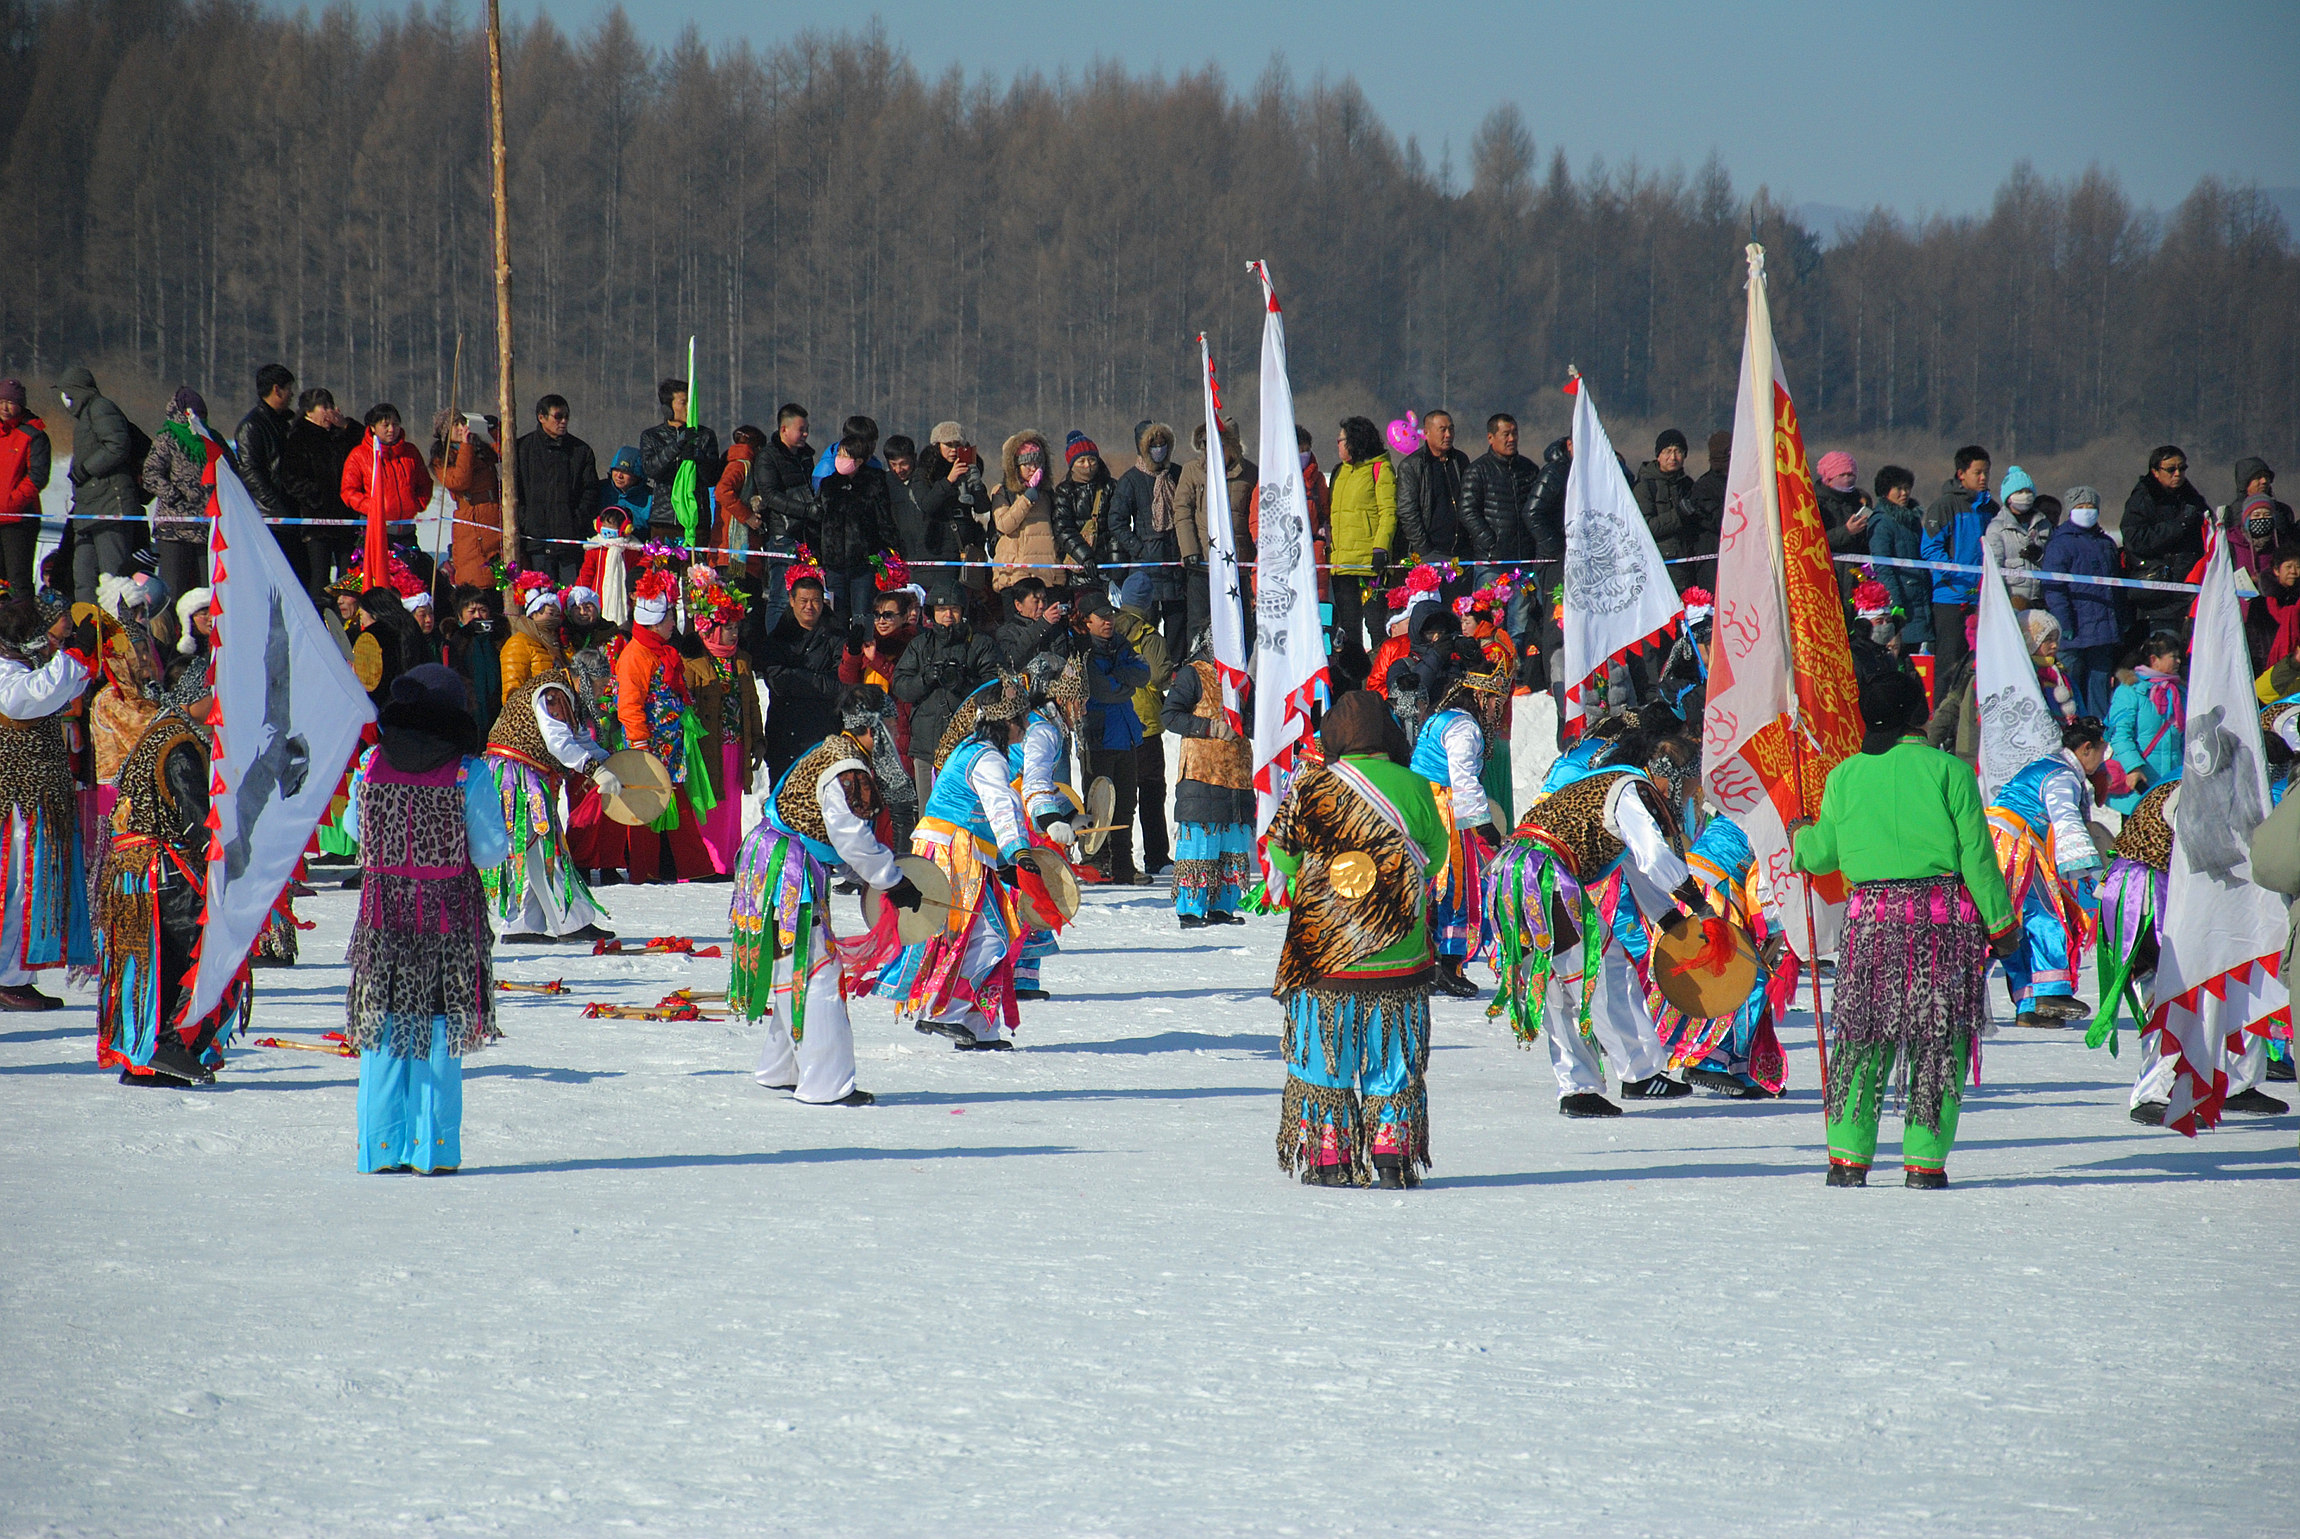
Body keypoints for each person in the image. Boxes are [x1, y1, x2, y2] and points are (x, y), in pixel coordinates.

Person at [1791, 670, 2016, 1188]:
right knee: (1938, 1041)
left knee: (1863, 1037)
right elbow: (1977, 858)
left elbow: (1820, 853)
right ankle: (1924, 1162)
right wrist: (2002, 925)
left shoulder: (1845, 775)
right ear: (1920, 712)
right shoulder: (1950, 772)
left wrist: (1800, 835)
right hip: (1942, 923)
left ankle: (1847, 1157)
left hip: (1870, 922)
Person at [1263, 690, 1445, 1188]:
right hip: (1399, 952)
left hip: (1325, 955)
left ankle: (1330, 1161)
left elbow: (1282, 856)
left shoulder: (1310, 786)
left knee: (1326, 1060)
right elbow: (1435, 854)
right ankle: (1391, 1158)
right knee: (1394, 1062)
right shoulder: (1415, 786)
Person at [1484, 714, 1702, 1116]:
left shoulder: (1606, 784)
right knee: (1604, 970)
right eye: (1685, 786)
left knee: (1557, 985)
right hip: (1543, 877)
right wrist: (1691, 896)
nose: (1686, 796)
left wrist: (1669, 916)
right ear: (1666, 773)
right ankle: (1639, 1073)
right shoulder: (1630, 788)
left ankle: (1577, 1087)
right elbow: (1652, 856)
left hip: (1510, 876)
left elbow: (1633, 864)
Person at [344, 664, 510, 1174]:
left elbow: (354, 827)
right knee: (439, 1030)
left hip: (383, 917)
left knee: (385, 1029)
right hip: (448, 921)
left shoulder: (371, 763)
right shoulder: (467, 771)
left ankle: (381, 1149)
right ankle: (431, 1149)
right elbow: (489, 851)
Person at [731, 686, 915, 1106]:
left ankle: (782, 1068)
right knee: (818, 972)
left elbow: (834, 837)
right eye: (886, 725)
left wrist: (873, 875)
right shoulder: (848, 768)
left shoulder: (834, 750)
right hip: (787, 869)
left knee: (789, 964)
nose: (891, 732)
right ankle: (826, 1083)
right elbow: (849, 836)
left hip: (776, 859)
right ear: (870, 729)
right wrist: (893, 880)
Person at [875, 674, 1033, 1049]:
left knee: (987, 932)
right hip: (954, 849)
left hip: (964, 848)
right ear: (1004, 722)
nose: (1025, 726)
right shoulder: (987, 758)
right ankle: (941, 1011)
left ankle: (979, 1025)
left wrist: (1004, 859)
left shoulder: (975, 749)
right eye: (1021, 719)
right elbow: (1000, 805)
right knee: (983, 934)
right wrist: (1018, 850)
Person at [93, 703, 245, 1082]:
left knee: (147, 967)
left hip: (134, 872)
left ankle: (142, 1060)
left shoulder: (159, 732)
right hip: (164, 872)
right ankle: (173, 1048)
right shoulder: (180, 745)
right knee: (197, 955)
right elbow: (198, 820)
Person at [478, 655, 616, 945]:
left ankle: (522, 924)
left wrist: (610, 764)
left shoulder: (566, 694)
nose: (606, 692)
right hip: (515, 777)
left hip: (525, 774)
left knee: (531, 850)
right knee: (543, 848)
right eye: (602, 685)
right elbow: (560, 744)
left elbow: (580, 740)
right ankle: (571, 923)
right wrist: (595, 770)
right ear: (586, 680)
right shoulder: (552, 692)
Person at [0, 602, 95, 1010]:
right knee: (18, 884)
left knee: (30, 883)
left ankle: (17, 973)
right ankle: (7, 977)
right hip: (17, 802)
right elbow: (31, 698)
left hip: (35, 799)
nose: (54, 643)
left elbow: (64, 686)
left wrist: (79, 658)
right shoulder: (7, 675)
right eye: (49, 635)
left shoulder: (22, 669)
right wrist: (72, 658)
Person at [1653, 810, 1787, 1098]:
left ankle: (1741, 1068)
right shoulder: (1775, 814)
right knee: (1747, 982)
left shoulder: (1748, 800)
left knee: (1707, 979)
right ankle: (1710, 1060)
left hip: (1693, 887)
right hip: (1713, 894)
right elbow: (1763, 885)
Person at [1987, 719, 2109, 1026]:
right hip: (2014, 846)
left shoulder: (2053, 767)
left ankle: (2029, 1004)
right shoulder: (2061, 776)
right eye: (2103, 751)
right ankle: (2050, 991)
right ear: (2086, 749)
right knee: (2047, 916)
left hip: (2003, 844)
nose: (2105, 758)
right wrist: (2093, 874)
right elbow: (2067, 821)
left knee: (2012, 925)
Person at [1410, 657, 1511, 998]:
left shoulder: (1441, 717)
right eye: (1497, 700)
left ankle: (1426, 960)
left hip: (1422, 804)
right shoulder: (1464, 727)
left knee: (1428, 884)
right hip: (1444, 811)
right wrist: (1485, 827)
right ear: (1482, 697)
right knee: (1456, 885)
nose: (1499, 708)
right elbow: (1463, 779)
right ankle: (1448, 965)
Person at [610, 568, 716, 884]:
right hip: (650, 745)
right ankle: (645, 869)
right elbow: (629, 705)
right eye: (669, 618)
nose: (674, 624)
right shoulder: (635, 656)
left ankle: (692, 867)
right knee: (645, 808)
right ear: (654, 621)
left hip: (671, 746)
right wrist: (640, 745)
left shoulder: (661, 652)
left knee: (678, 804)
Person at [1162, 628, 1253, 928]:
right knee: (1201, 843)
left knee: (1233, 842)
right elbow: (1170, 716)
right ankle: (1190, 909)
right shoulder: (1193, 674)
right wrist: (1209, 728)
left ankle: (1222, 908)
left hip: (1236, 773)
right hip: (1202, 773)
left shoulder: (1241, 678)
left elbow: (1251, 722)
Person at [1010, 652, 1088, 999]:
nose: (1082, 709)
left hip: (1022, 811)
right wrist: (1052, 820)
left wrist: (1068, 815)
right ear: (1062, 698)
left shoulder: (1042, 723)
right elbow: (1034, 784)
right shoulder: (1042, 730)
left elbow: (1040, 785)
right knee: (1022, 891)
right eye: (1078, 701)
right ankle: (1007, 974)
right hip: (1014, 816)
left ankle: (1022, 978)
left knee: (1029, 892)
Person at [683, 580, 764, 875]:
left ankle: (728, 861)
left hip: (736, 744)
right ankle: (706, 862)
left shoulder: (741, 661)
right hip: (708, 746)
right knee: (709, 803)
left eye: (736, 628)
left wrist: (758, 739)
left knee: (730, 807)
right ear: (712, 629)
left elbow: (751, 703)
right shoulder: (694, 662)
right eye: (728, 627)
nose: (734, 633)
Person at [894, 582, 1001, 793]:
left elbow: (996, 688)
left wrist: (966, 685)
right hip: (927, 747)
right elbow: (900, 686)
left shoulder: (981, 644)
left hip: (970, 745)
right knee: (930, 816)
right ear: (932, 612)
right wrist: (926, 678)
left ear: (963, 611)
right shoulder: (920, 645)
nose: (948, 615)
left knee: (968, 812)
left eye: (954, 609)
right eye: (942, 609)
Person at [56, 366, 146, 603]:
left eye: (66, 393)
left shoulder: (101, 408)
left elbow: (117, 445)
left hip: (109, 506)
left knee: (113, 578)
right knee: (83, 578)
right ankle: (87, 630)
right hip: (88, 508)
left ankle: (117, 629)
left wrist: (85, 469)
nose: (63, 400)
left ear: (76, 391)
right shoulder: (86, 415)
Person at [1078, 591, 1150, 884]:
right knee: (1097, 804)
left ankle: (1123, 864)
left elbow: (1143, 675)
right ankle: (1094, 863)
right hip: (1100, 737)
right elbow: (1102, 690)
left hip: (1127, 735)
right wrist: (1125, 680)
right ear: (1087, 622)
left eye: (1110, 616)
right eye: (1102, 617)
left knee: (1125, 806)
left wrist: (1119, 676)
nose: (1108, 622)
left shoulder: (1120, 644)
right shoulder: (1084, 651)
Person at [2039, 485, 2125, 719]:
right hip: (2073, 632)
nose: (2087, 511)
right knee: (2069, 688)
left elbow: (2115, 587)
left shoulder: (2106, 543)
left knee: (2099, 690)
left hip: (2103, 631)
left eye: (2091, 507)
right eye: (2081, 507)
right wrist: (2063, 622)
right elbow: (2054, 587)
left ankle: (2099, 733)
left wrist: (2120, 619)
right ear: (2071, 510)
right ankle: (2071, 729)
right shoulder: (2060, 543)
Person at [755, 567, 846, 781]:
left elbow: (840, 683)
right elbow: (777, 681)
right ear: (792, 600)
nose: (809, 607)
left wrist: (797, 678)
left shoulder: (836, 635)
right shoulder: (779, 637)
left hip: (824, 731)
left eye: (815, 601)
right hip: (785, 734)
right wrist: (816, 681)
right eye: (803, 600)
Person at [1459, 413, 1540, 641]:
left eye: (1514, 433)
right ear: (1491, 437)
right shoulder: (1478, 470)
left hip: (1522, 560)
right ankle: (1489, 669)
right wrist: (1490, 542)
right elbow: (1467, 510)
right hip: (1491, 561)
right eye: (1506, 434)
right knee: (1488, 622)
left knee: (1520, 624)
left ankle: (1518, 669)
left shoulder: (1528, 469)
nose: (1511, 439)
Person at [1175, 416, 1257, 641]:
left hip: (1237, 564)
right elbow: (1182, 510)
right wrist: (1189, 550)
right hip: (1202, 563)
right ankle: (1199, 669)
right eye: (1208, 445)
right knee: (1199, 624)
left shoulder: (1251, 474)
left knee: (1242, 624)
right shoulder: (1192, 471)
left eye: (1220, 446)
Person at [1109, 421, 1184, 656]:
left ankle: (1174, 669)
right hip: (1145, 566)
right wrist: (1138, 549)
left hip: (1175, 563)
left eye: (1163, 445)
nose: (1158, 449)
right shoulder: (1130, 480)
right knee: (1144, 624)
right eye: (1153, 445)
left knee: (1177, 623)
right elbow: (1116, 521)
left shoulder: (1177, 474)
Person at [1324, 416, 1395, 664]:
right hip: (1342, 564)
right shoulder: (1338, 472)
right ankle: (1352, 685)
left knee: (1376, 625)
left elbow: (1388, 511)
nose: (1338, 444)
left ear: (1355, 441)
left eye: (1341, 440)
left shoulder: (1380, 469)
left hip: (1369, 565)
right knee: (1349, 629)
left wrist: (1381, 548)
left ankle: (1380, 678)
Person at [1919, 445, 1996, 674]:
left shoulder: (1991, 509)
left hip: (1983, 598)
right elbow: (1930, 550)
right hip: (1951, 598)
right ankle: (1943, 709)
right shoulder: (1944, 506)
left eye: (1986, 473)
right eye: (1977, 473)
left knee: (1980, 665)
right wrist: (1959, 576)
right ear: (1961, 474)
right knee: (1950, 665)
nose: (1983, 478)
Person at [280, 388, 363, 596]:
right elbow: (290, 478)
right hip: (317, 521)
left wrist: (345, 425)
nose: (329, 412)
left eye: (331, 406)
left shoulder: (341, 434)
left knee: (349, 578)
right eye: (323, 407)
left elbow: (366, 444)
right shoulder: (299, 437)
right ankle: (318, 617)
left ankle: (344, 620)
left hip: (346, 518)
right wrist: (316, 496)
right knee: (319, 577)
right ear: (309, 412)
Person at [2122, 446, 2211, 640]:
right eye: (2171, 469)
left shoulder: (2191, 498)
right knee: (2165, 650)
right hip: (2160, 593)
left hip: (2190, 587)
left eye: (2182, 468)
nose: (2178, 474)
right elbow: (2134, 540)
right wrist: (2177, 526)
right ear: (2155, 471)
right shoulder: (2143, 498)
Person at [138, 387, 218, 599]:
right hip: (174, 530)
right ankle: (169, 631)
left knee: (207, 593)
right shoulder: (167, 439)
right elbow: (150, 474)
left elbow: (231, 470)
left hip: (206, 529)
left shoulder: (211, 438)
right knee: (173, 591)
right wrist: (174, 497)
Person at [1114, 596, 1174, 878]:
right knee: (1152, 791)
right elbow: (1160, 675)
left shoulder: (1108, 627)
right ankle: (1156, 855)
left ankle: (1115, 858)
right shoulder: (1150, 637)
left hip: (1117, 721)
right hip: (1146, 722)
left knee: (1120, 797)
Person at [514, 394, 599, 585]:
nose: (563, 421)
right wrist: (526, 520)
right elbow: (514, 491)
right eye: (558, 416)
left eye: (566, 416)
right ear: (541, 417)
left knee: (571, 599)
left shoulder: (580, 451)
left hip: (569, 544)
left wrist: (576, 521)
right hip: (535, 542)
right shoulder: (522, 449)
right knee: (542, 601)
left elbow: (590, 491)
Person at [911, 421, 992, 618]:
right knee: (937, 610)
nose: (954, 450)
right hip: (935, 550)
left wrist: (976, 483)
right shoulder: (924, 472)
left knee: (961, 609)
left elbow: (983, 508)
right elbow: (927, 504)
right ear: (936, 445)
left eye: (958, 445)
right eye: (948, 445)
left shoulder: (970, 467)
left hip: (963, 550)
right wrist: (949, 480)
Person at [817, 427, 898, 614]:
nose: (840, 460)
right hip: (834, 562)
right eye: (839, 455)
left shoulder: (874, 483)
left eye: (846, 456)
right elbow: (817, 520)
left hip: (864, 564)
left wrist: (890, 550)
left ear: (859, 461)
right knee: (837, 616)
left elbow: (884, 519)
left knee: (863, 614)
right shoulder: (829, 484)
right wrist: (818, 553)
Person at [639, 377, 723, 552]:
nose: (688, 408)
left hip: (696, 519)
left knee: (695, 574)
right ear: (668, 408)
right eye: (683, 403)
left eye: (690, 403)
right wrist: (676, 446)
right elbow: (651, 469)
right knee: (663, 576)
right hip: (665, 519)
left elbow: (711, 477)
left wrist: (698, 457)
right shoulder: (652, 436)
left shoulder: (705, 435)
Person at [2107, 633, 2185, 813]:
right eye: (2173, 656)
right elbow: (2119, 734)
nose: (2178, 661)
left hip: (2171, 782)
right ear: (2154, 659)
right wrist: (2132, 767)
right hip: (2139, 784)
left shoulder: (2179, 691)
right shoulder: (2130, 691)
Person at [340, 404, 434, 546]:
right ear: (373, 427)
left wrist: (416, 504)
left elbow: (425, 483)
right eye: (386, 425)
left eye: (395, 424)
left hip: (406, 530)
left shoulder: (410, 452)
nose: (391, 429)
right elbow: (348, 491)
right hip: (374, 531)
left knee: (411, 566)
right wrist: (372, 507)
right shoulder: (359, 455)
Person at [990, 429, 1067, 594]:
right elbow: (1004, 525)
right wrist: (1026, 500)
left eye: (1036, 464)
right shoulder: (1003, 492)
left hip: (1045, 574)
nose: (1032, 469)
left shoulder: (1047, 495)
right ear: (1016, 467)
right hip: (1014, 575)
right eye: (1027, 464)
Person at [433, 413, 504, 589]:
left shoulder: (481, 448)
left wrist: (495, 431)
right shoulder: (442, 458)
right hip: (470, 518)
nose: (461, 428)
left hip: (495, 512)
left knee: (505, 573)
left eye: (462, 423)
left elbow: (506, 454)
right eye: (454, 426)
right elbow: (459, 481)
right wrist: (466, 446)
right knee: (476, 573)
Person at [1866, 465, 1932, 650]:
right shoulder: (1881, 522)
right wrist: (1894, 602)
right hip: (1902, 598)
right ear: (1886, 491)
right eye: (1899, 489)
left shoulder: (1912, 520)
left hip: (1920, 596)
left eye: (1907, 488)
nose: (1905, 493)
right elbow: (1882, 566)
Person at [0, 380, 52, 602]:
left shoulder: (34, 434)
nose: (4, 407)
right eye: (1, 401)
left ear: (21, 405)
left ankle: (24, 627)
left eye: (10, 402)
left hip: (20, 519)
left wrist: (13, 501)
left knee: (18, 579)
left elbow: (37, 477)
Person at [1396, 408, 1467, 566]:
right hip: (1430, 554)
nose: (1448, 435)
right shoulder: (1411, 466)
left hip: (1461, 553)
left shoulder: (1460, 460)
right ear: (1426, 433)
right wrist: (1424, 550)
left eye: (1451, 429)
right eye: (1442, 430)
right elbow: (1407, 512)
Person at [233, 361, 298, 534]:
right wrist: (276, 506)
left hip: (290, 511)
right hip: (269, 516)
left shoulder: (285, 423)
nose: (292, 394)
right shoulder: (252, 426)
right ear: (277, 390)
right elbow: (250, 471)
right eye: (289, 388)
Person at [1636, 429, 1706, 586]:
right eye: (1668, 451)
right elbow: (1645, 527)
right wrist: (1678, 514)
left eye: (1678, 451)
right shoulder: (1645, 486)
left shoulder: (1688, 485)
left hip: (1688, 567)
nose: (1673, 457)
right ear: (1658, 455)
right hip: (1659, 569)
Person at [1050, 431, 1113, 578]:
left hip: (1109, 567)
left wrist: (1115, 562)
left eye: (1091, 460)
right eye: (1081, 461)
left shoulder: (1110, 487)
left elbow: (1116, 525)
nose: (1087, 465)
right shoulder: (1064, 492)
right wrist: (1085, 556)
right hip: (1078, 570)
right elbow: (1063, 528)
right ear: (1072, 465)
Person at [444, 588, 504, 741]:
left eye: (482, 610)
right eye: (472, 611)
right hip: (471, 712)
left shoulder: (499, 638)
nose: (478, 616)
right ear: (460, 615)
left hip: (497, 711)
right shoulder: (456, 642)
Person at [497, 570, 568, 693]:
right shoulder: (518, 644)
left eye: (557, 615)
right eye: (550, 613)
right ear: (534, 613)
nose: (554, 619)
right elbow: (512, 690)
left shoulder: (557, 642)